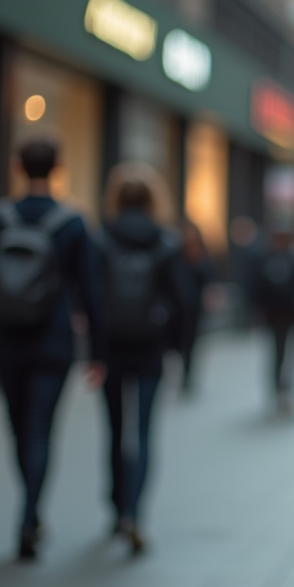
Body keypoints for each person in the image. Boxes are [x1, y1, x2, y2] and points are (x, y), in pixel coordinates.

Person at [0, 136, 106, 561]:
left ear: (18, 168)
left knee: (19, 428)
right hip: (54, 340)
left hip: (7, 339)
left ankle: (29, 510)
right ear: (58, 168)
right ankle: (30, 515)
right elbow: (90, 291)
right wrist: (98, 352)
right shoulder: (73, 222)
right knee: (41, 429)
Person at [97, 162, 190, 554]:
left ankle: (117, 507)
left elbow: (92, 297)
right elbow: (182, 300)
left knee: (115, 430)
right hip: (150, 348)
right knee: (145, 433)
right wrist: (180, 350)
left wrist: (93, 351)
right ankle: (135, 513)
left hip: (111, 349)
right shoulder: (166, 242)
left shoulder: (102, 239)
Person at [251, 226, 294, 415]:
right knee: (277, 353)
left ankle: (291, 391)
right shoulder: (264, 259)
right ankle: (278, 392)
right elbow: (256, 286)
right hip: (274, 314)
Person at [175, 219, 213, 395]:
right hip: (178, 306)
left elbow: (208, 277)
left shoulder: (201, 255)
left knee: (192, 343)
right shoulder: (176, 254)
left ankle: (187, 375)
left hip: (195, 306)